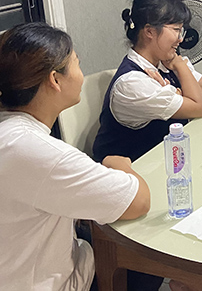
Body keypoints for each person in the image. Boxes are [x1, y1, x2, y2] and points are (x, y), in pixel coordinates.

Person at [0, 22, 150, 291]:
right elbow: (138, 201)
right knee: (143, 256)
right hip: (45, 282)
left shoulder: (12, 134)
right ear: (55, 80)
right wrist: (119, 164)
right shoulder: (39, 153)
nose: (81, 75)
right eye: (77, 63)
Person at [93, 0, 202, 163]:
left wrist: (178, 90)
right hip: (131, 170)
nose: (181, 38)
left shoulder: (167, 61)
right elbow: (200, 107)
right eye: (176, 30)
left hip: (167, 157)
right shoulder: (132, 84)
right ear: (150, 31)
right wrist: (182, 80)